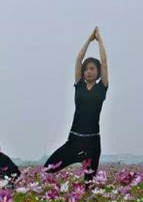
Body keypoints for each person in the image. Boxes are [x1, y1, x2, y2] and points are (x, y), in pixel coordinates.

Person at [44, 27, 109, 184]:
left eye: (92, 69)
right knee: (48, 168)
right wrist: (89, 39)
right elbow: (78, 59)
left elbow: (105, 62)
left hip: (92, 142)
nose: (88, 71)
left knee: (89, 184)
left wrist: (99, 40)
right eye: (86, 69)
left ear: (98, 72)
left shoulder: (102, 87)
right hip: (74, 140)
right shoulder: (79, 85)